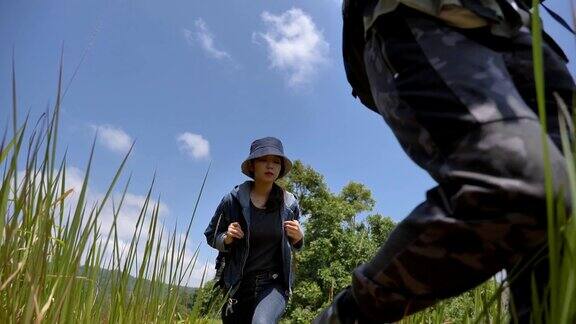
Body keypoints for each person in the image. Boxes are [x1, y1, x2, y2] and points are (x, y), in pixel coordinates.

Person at [315, 0, 575, 323]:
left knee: (565, 228)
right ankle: (345, 316)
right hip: (423, 13)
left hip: (518, 31)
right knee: (519, 180)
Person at [204, 136, 304, 324]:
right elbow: (211, 235)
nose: (270, 166)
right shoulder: (232, 201)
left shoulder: (290, 204)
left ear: (280, 168)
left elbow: (296, 244)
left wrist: (299, 237)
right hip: (237, 285)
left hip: (273, 284)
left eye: (276, 162)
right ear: (252, 165)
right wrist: (227, 238)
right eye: (264, 160)